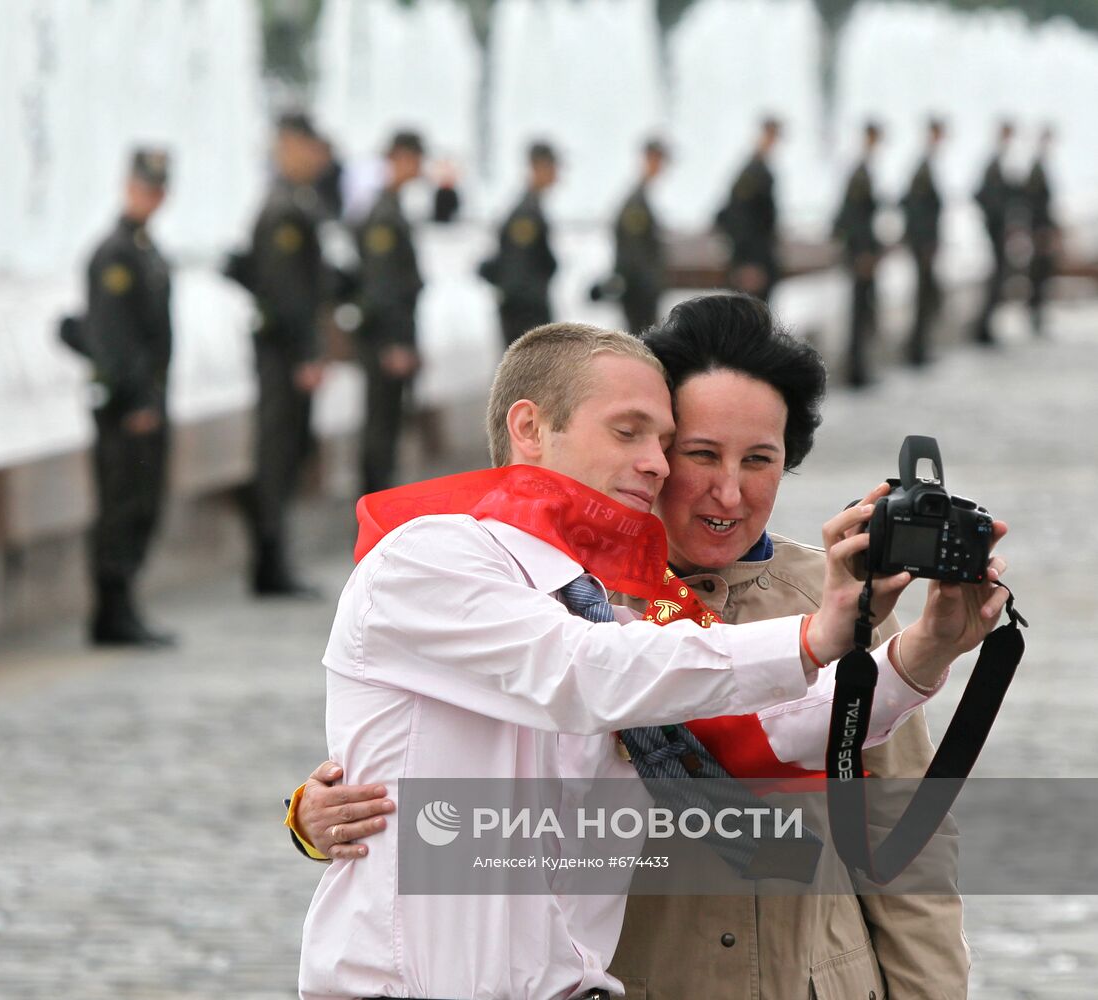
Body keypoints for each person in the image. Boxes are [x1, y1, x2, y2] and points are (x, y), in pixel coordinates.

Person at [292, 296, 1004, 999]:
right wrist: (315, 815)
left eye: (759, 458)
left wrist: (922, 652)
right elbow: (580, 674)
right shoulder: (452, 564)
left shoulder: (817, 595)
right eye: (680, 448)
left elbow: (800, 753)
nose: (672, 471)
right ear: (531, 428)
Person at [232, 112, 331, 597]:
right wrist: (306, 355)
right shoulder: (284, 210)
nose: (316, 158)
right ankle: (269, 563)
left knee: (288, 452)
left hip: (286, 352)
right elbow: (287, 292)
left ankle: (273, 561)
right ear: (288, 146)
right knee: (277, 454)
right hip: (283, 355)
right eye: (307, 147)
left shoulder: (296, 202)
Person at [79, 147, 175, 647]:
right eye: (143, 187)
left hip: (148, 401)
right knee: (121, 506)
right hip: (125, 408)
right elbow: (115, 336)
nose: (149, 197)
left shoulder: (143, 249)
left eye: (157, 189)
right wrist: (138, 400)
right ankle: (111, 611)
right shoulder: (116, 253)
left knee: (143, 504)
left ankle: (123, 605)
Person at [354, 131, 426, 495]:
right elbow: (383, 286)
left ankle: (378, 496)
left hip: (391, 334)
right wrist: (394, 343)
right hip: (385, 338)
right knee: (381, 423)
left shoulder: (393, 208)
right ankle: (373, 500)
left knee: (389, 422)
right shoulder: (384, 215)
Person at [482, 141, 559, 347]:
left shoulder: (532, 208)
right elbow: (519, 271)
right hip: (525, 314)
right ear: (537, 167)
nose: (556, 174)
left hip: (524, 311)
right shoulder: (526, 214)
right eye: (551, 167)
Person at [593, 137, 668, 333]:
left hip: (639, 288)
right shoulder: (636, 203)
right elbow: (634, 251)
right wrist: (649, 283)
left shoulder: (640, 198)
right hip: (639, 290)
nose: (661, 167)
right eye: (657, 159)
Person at [832, 121, 884, 388]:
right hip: (860, 253)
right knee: (858, 312)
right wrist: (862, 252)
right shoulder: (859, 174)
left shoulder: (864, 171)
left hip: (863, 251)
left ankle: (859, 368)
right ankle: (855, 371)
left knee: (864, 310)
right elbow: (853, 217)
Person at [716, 117, 781, 302]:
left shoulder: (762, 170)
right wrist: (748, 262)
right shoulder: (752, 173)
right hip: (751, 262)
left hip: (759, 259)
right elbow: (737, 217)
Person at [901, 118, 946, 366]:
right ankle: (916, 350)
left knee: (928, 295)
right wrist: (925, 242)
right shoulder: (923, 169)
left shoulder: (927, 166)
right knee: (923, 295)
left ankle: (920, 347)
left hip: (924, 243)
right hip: (922, 244)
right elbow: (917, 209)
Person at [973, 121, 1017, 347]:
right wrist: (995, 222)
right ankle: (982, 330)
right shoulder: (993, 165)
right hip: (996, 229)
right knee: (996, 277)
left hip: (998, 229)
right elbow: (983, 196)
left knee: (1000, 278)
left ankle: (985, 329)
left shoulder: (1000, 164)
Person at [1024, 125, 1058, 337]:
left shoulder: (1041, 168)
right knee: (1038, 273)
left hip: (1042, 229)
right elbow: (1034, 203)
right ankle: (1034, 316)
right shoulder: (1036, 169)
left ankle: (1037, 316)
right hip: (1039, 231)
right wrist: (1040, 230)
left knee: (1042, 272)